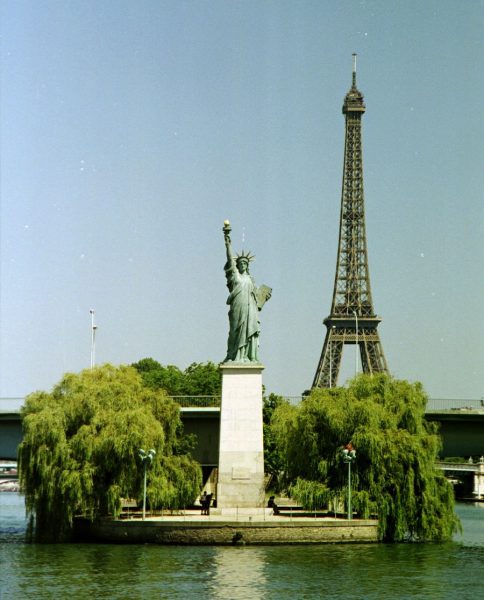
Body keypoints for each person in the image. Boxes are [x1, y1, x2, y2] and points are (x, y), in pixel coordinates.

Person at [223, 221, 271, 363]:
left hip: (250, 308)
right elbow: (230, 260)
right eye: (241, 263)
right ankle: (234, 355)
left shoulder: (251, 280)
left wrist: (264, 296)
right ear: (237, 265)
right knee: (235, 332)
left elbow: (257, 297)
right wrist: (227, 244)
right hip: (238, 306)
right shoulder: (235, 276)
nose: (243, 264)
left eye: (245, 263)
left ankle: (249, 356)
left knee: (250, 331)